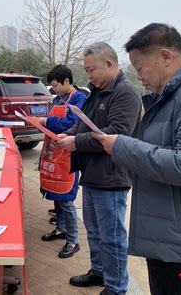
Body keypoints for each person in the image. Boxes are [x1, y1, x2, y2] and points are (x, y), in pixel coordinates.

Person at [92, 23, 181, 295]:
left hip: (179, 233)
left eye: (140, 66)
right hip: (165, 224)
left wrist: (123, 147)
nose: (138, 75)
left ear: (166, 56)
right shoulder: (173, 95)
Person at [57, 43, 142, 295]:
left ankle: (116, 288)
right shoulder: (97, 91)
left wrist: (76, 142)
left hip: (112, 177)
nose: (88, 76)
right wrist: (68, 134)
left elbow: (115, 134)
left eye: (91, 69)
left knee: (112, 237)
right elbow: (84, 124)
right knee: (94, 231)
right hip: (92, 173)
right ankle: (99, 272)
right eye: (86, 70)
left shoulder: (126, 93)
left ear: (109, 64)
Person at [37, 64, 87, 258]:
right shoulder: (57, 99)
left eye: (56, 85)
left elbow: (72, 124)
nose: (54, 89)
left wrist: (46, 121)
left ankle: (73, 240)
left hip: (67, 154)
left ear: (67, 81)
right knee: (56, 195)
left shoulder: (79, 99)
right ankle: (61, 228)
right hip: (53, 152)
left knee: (66, 199)